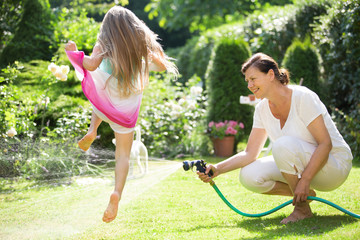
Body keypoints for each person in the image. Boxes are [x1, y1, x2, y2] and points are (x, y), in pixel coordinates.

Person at [198, 53, 353, 224]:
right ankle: (305, 196)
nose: (249, 85)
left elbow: (325, 144)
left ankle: (301, 209)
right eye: (247, 81)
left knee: (282, 145)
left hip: (333, 166)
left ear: (271, 75)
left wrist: (305, 180)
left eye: (253, 79)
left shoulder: (302, 97)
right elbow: (250, 153)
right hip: (303, 163)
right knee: (249, 175)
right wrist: (218, 169)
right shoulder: (262, 109)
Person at [65, 6, 178, 223]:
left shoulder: (104, 44)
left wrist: (74, 51)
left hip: (106, 98)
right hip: (126, 107)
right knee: (123, 155)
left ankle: (93, 129)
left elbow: (89, 64)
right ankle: (117, 192)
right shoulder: (140, 46)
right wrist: (152, 48)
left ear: (107, 27)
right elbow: (162, 67)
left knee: (98, 90)